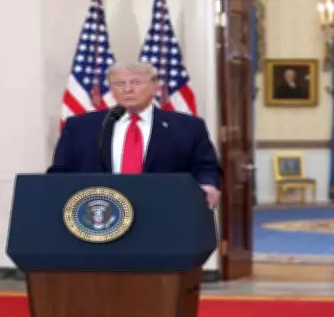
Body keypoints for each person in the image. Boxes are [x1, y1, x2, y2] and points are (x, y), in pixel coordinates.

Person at [48, 61, 223, 209]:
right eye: (119, 84)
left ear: (155, 87)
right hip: (100, 217)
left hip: (165, 214)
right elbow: (60, 172)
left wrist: (208, 184)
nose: (128, 89)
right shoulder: (80, 127)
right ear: (111, 89)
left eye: (136, 83)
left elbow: (206, 167)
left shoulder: (188, 127)